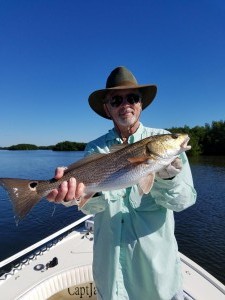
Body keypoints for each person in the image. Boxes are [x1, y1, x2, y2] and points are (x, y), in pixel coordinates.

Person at [47, 66, 197, 300]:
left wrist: (168, 179)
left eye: (132, 98)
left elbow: (183, 201)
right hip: (110, 273)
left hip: (157, 272)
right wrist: (73, 195)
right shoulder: (96, 148)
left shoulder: (165, 143)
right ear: (107, 108)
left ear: (140, 104)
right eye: (116, 100)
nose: (125, 104)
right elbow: (92, 207)